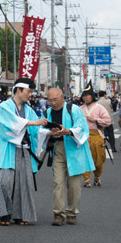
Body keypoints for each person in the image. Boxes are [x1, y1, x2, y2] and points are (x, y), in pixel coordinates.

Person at [0, 78, 47, 226]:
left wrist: (50, 132)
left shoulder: (29, 110)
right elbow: (11, 123)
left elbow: (37, 130)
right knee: (4, 181)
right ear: (18, 90)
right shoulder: (4, 106)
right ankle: (4, 213)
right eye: (28, 91)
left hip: (24, 150)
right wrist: (34, 123)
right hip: (7, 149)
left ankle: (21, 214)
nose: (30, 95)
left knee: (24, 183)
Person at [37, 87, 93, 226]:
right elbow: (41, 130)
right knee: (58, 182)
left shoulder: (74, 110)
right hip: (58, 148)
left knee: (74, 184)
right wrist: (51, 132)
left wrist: (68, 132)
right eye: (50, 100)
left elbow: (82, 128)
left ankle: (72, 212)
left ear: (63, 97)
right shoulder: (48, 112)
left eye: (55, 99)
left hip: (74, 148)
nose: (53, 103)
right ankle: (58, 213)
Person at [80, 85, 112, 187]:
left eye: (88, 95)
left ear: (92, 96)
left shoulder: (100, 108)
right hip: (84, 136)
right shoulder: (80, 109)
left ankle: (97, 177)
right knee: (85, 158)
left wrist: (96, 120)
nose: (85, 97)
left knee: (99, 160)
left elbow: (108, 121)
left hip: (97, 136)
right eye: (84, 95)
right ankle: (86, 180)